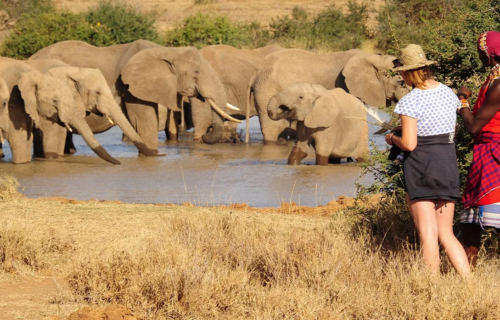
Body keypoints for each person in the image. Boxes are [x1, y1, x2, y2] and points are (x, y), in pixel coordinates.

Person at [385, 44, 470, 276]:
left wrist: (392, 138)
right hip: (447, 163)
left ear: (408, 72)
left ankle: (431, 287)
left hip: (422, 166)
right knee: (447, 233)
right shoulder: (448, 93)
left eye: (402, 71)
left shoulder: (410, 101)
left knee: (428, 233)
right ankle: (470, 283)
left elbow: (410, 144)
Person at [458, 31, 500, 267]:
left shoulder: (498, 84)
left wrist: (462, 99)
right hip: (485, 153)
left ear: (487, 53)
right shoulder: (493, 80)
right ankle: (467, 278)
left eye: (480, 51)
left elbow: (474, 127)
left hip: (493, 154)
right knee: (470, 219)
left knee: (491, 216)